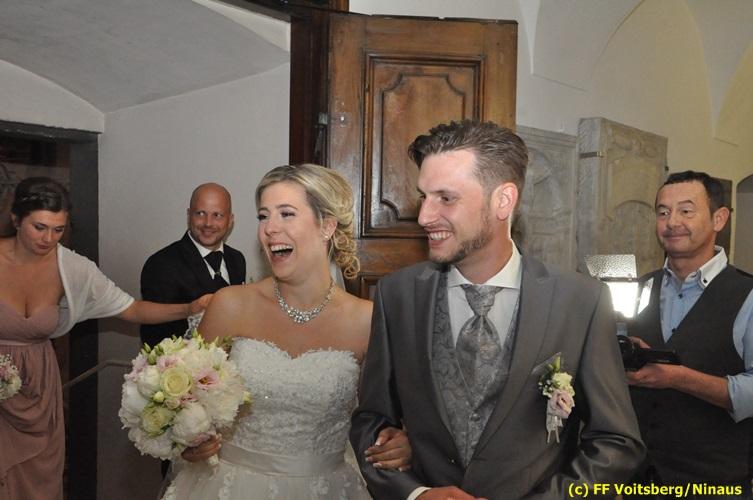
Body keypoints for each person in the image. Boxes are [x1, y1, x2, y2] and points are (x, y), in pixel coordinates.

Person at [350, 120, 645, 500]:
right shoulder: (398, 295)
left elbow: (617, 443)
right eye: (424, 196)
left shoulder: (580, 301)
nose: (424, 216)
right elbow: (370, 421)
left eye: (446, 198)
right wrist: (416, 494)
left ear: (503, 200)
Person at [161, 164, 411, 500]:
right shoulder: (230, 305)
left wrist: (405, 440)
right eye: (263, 216)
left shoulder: (366, 319)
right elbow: (185, 403)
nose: (269, 228)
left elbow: (388, 416)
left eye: (287, 214)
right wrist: (189, 441)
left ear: (326, 226)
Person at [0, 177, 210, 500]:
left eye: (58, 230)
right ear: (16, 219)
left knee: (39, 485)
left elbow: (132, 309)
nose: (48, 239)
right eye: (39, 227)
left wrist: (189, 307)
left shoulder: (71, 268)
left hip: (39, 392)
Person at [626, 171, 753, 496]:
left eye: (686, 210)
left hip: (714, 482)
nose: (672, 222)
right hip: (637, 478)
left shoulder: (746, 295)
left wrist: (678, 378)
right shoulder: (641, 287)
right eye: (663, 212)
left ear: (718, 218)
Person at [140, 183, 246, 347]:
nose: (208, 223)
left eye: (217, 215)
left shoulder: (237, 259)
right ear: (189, 215)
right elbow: (155, 339)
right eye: (200, 213)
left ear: (230, 220)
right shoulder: (161, 264)